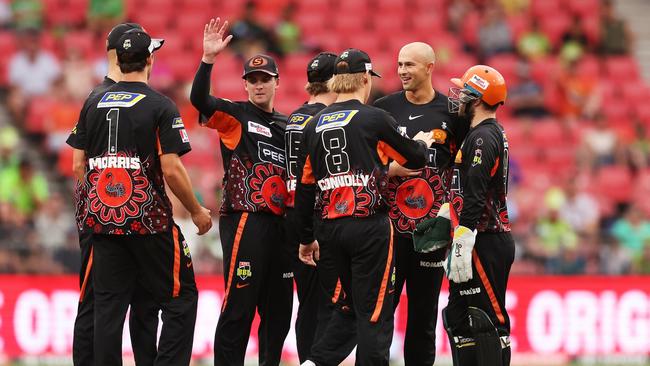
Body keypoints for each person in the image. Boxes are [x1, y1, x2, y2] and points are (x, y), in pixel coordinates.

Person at [67, 28, 211, 365]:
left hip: (103, 221)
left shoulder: (93, 100)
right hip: (150, 222)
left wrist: (104, 199)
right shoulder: (161, 105)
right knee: (182, 297)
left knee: (108, 307)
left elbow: (78, 164)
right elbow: (172, 169)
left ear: (118, 58)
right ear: (149, 59)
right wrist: (196, 210)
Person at [295, 48, 434, 366]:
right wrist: (423, 143)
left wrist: (305, 238)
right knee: (375, 314)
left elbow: (304, 188)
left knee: (348, 308)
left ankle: (314, 362)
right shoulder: (374, 118)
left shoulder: (313, 125)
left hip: (329, 229)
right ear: (364, 79)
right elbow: (415, 159)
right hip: (369, 226)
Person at [190, 18, 293, 366]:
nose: (259, 85)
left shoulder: (288, 127)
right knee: (240, 304)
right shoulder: (236, 115)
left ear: (277, 82)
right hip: (246, 220)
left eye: (265, 79)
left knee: (278, 311)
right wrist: (207, 60)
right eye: (253, 80)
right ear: (245, 84)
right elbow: (199, 99)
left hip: (282, 225)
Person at [66, 23, 164, 366]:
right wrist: (104, 200)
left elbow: (78, 162)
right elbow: (78, 164)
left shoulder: (98, 97)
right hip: (105, 220)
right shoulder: (98, 97)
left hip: (119, 218)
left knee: (137, 300)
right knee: (96, 300)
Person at [373, 42, 467, 366]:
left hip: (432, 230)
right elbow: (366, 163)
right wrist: (390, 171)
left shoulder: (452, 113)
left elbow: (464, 165)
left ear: (429, 67)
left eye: (410, 65)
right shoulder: (383, 108)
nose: (402, 71)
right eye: (399, 64)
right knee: (382, 313)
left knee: (423, 318)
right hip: (389, 228)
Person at [440, 65, 514, 366]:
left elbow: (476, 193)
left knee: (487, 322)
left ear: (479, 99)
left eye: (465, 92)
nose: (459, 97)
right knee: (458, 318)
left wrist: (464, 236)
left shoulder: (483, 137)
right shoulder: (482, 134)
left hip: (484, 239)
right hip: (477, 236)